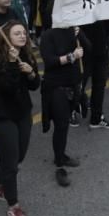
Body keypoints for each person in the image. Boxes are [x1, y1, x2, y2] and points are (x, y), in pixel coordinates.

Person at [0, 21, 40, 216]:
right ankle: (13, 206)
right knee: (11, 164)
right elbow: (6, 88)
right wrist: (13, 65)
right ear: (6, 37)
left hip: (22, 113)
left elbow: (34, 85)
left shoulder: (25, 55)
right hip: (1, 117)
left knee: (19, 156)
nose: (23, 36)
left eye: (24, 33)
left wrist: (31, 72)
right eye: (17, 33)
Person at [39, 25, 88, 187]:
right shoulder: (48, 35)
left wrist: (80, 34)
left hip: (73, 85)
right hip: (55, 87)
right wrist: (71, 57)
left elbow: (89, 48)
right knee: (61, 125)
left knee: (65, 123)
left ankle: (61, 155)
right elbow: (49, 61)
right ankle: (59, 164)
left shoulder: (74, 31)